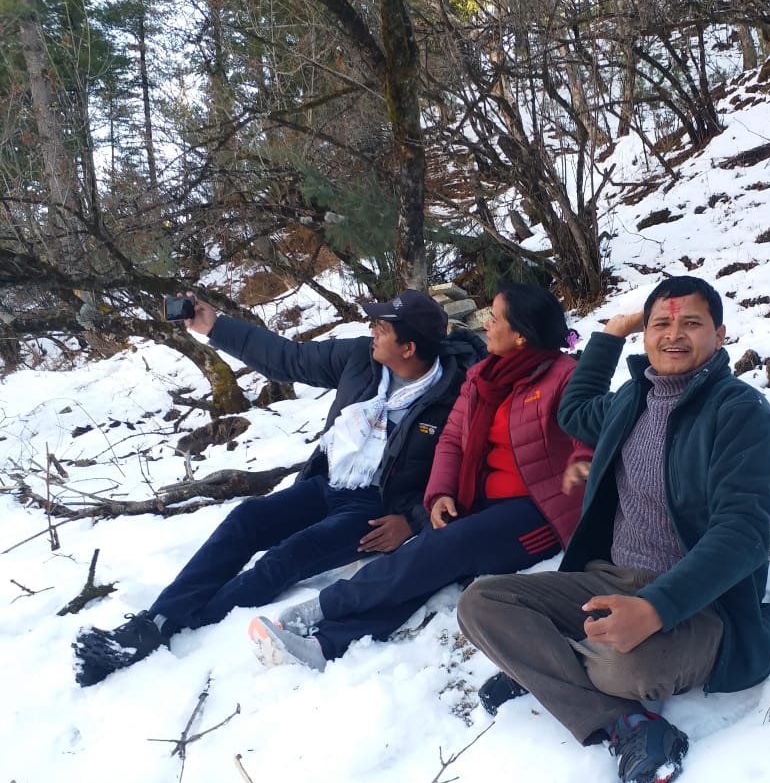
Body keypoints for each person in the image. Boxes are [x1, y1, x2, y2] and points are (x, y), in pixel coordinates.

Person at [456, 275, 770, 783]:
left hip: (701, 604)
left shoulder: (741, 413)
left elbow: (744, 534)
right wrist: (611, 334)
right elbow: (573, 411)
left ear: (720, 335)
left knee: (620, 669)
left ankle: (548, 667)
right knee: (481, 603)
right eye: (660, 324)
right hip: (608, 580)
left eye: (691, 323)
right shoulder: (633, 399)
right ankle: (625, 722)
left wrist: (656, 609)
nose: (673, 335)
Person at [72, 289, 484, 686]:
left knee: (287, 557)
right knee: (247, 518)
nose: (372, 331)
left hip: (377, 508)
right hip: (330, 482)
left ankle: (186, 625)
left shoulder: (456, 395)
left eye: (382, 328)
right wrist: (215, 326)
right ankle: (155, 622)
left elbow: (466, 471)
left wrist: (412, 521)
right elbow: (289, 358)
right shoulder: (362, 358)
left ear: (408, 348)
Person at [247, 283, 592, 669]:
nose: (486, 324)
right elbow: (452, 440)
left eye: (494, 319)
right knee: (425, 562)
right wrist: (440, 492)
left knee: (441, 549)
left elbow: (590, 430)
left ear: (521, 335)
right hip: (480, 500)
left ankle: (323, 607)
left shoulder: (565, 376)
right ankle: (324, 646)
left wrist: (582, 459)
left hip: (538, 513)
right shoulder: (482, 376)